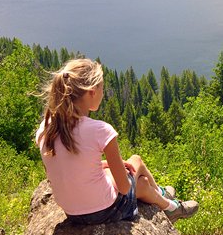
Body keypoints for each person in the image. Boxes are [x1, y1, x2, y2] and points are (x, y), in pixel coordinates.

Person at [35, 58, 198, 225]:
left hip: (72, 213)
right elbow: (124, 188)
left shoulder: (46, 128)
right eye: (102, 88)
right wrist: (118, 168)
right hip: (105, 212)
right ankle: (169, 204)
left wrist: (104, 164)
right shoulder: (101, 130)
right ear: (92, 91)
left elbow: (66, 164)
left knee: (141, 184)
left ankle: (167, 203)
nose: (103, 93)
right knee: (136, 162)